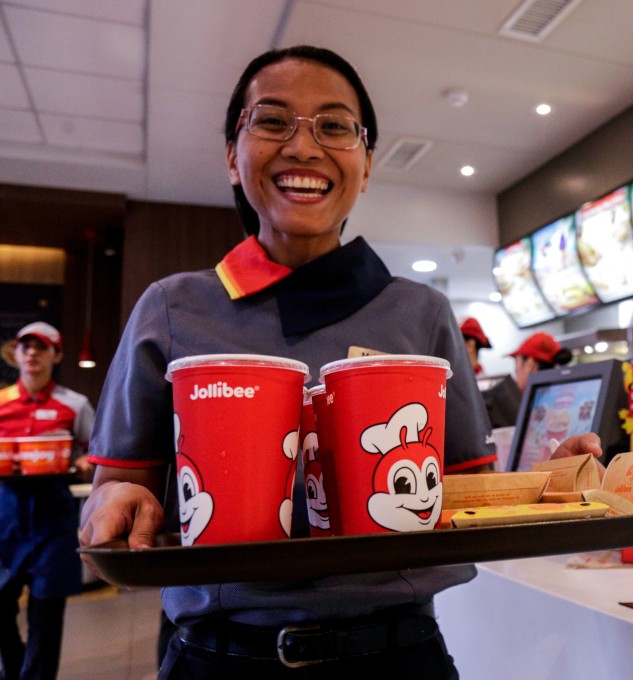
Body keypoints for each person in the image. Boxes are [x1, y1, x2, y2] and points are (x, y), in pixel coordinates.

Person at [78, 45, 601, 680]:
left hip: (398, 655)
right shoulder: (173, 307)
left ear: (367, 162)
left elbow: (462, 496)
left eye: (334, 125)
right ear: (231, 158)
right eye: (272, 121)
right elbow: (116, 491)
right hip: (220, 657)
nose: (304, 147)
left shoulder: (421, 313)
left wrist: (541, 486)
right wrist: (123, 502)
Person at [0, 322, 95, 680]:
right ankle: (15, 669)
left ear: (56, 355)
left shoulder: (74, 404)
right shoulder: (1, 402)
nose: (33, 354)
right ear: (17, 354)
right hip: (4, 518)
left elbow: (97, 451)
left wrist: (85, 462)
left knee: (46, 615)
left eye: (42, 347)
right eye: (26, 347)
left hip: (52, 521)